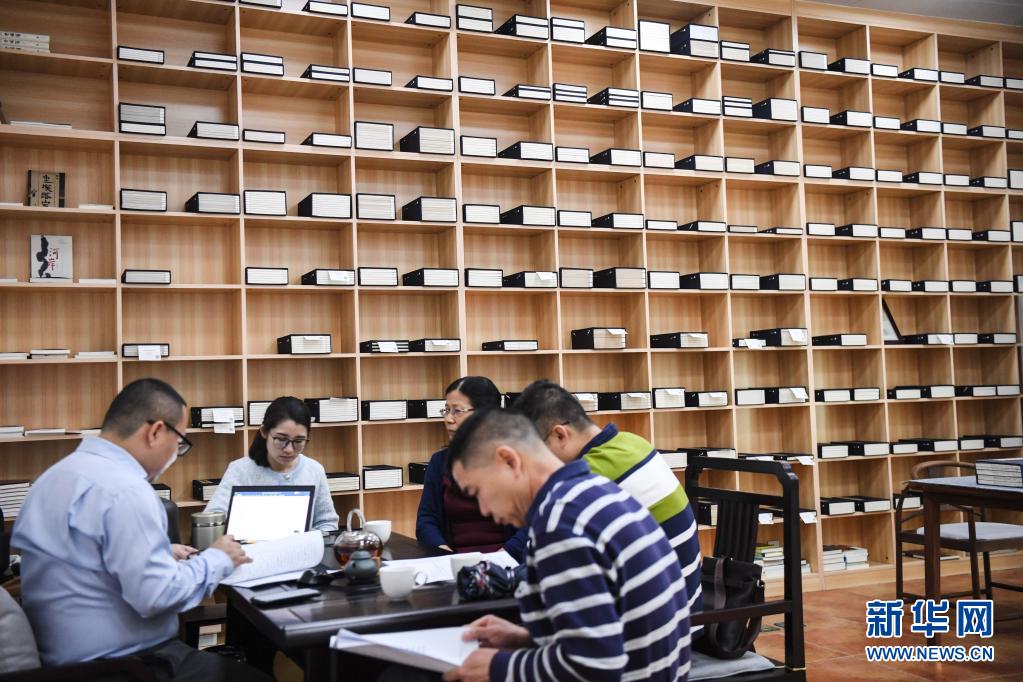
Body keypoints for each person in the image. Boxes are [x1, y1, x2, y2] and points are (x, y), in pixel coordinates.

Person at [11, 378, 271, 682]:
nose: (176, 455)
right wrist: (218, 559)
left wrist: (160, 552)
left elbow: (81, 558)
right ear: (156, 432)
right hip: (121, 667)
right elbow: (158, 596)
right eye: (180, 443)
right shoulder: (127, 490)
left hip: (60, 662)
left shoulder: (52, 477)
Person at [443, 409, 691, 682]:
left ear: (509, 461)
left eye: (477, 492)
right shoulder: (596, 490)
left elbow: (594, 667)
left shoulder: (558, 524)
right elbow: (607, 632)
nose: (484, 510)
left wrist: (498, 667)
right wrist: (527, 637)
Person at [512, 379, 704, 629]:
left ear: (560, 435)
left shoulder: (586, 476)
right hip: (686, 610)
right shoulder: (632, 442)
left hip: (658, 628)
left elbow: (534, 562)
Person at [416, 377, 526, 560]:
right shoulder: (439, 461)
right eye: (446, 410)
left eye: (457, 411)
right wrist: (444, 556)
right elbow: (426, 521)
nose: (448, 419)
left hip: (506, 564)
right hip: (453, 563)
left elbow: (533, 523)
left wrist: (502, 558)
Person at [205, 396, 339, 531]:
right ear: (264, 432)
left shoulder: (314, 470)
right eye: (281, 439)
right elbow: (212, 520)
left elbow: (327, 523)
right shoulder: (240, 470)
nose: (289, 450)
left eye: (298, 441)